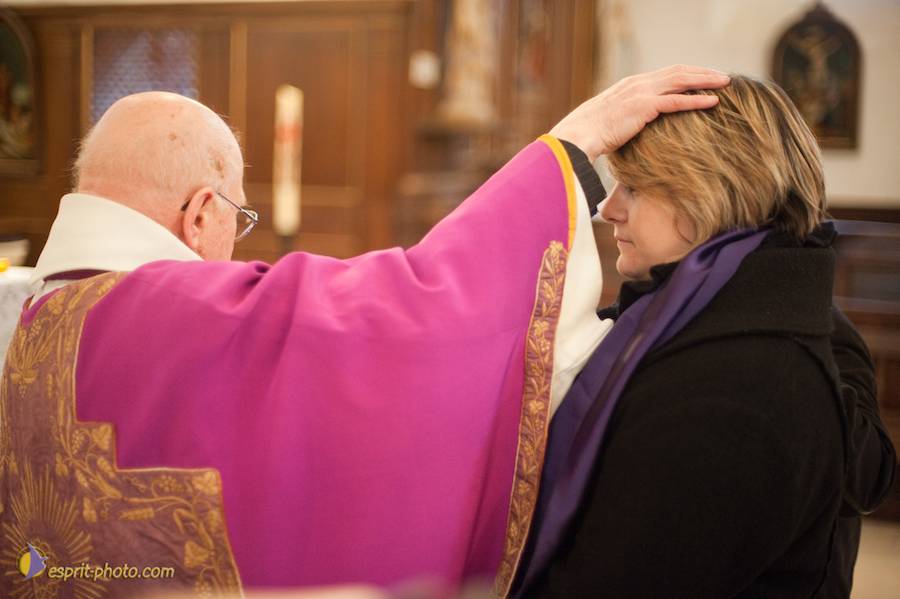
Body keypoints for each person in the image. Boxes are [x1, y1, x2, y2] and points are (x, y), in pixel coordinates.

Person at [0, 67, 730, 595]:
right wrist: (567, 148)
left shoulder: (34, 318)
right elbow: (417, 310)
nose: (236, 242)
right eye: (237, 216)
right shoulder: (180, 310)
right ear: (199, 213)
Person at [511, 75, 896, 598]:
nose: (609, 209)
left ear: (708, 192)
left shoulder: (742, 379)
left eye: (636, 187)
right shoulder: (673, 317)